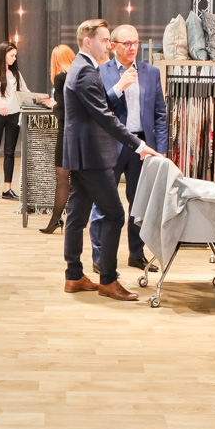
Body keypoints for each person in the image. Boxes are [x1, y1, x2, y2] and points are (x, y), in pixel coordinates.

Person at [62, 19, 162, 302]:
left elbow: (100, 109)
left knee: (77, 215)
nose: (109, 45)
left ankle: (74, 275)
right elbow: (105, 116)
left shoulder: (82, 67)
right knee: (115, 214)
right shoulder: (85, 71)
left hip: (83, 154)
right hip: (92, 155)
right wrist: (139, 144)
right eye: (105, 40)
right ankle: (107, 280)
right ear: (88, 41)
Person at [88, 24, 167, 273]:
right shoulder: (101, 72)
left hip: (141, 146)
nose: (133, 48)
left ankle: (136, 253)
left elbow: (160, 115)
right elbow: (98, 109)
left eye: (136, 42)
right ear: (113, 46)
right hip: (110, 145)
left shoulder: (151, 73)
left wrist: (161, 150)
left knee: (139, 202)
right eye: (128, 43)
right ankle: (100, 256)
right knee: (103, 202)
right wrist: (118, 87)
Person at [0, 42, 53, 201]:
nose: (14, 58)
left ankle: (7, 189)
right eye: (12, 55)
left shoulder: (15, 74)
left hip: (14, 115)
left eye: (15, 56)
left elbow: (25, 93)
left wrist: (40, 99)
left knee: (10, 152)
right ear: (3, 55)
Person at [40, 44, 75, 235]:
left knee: (62, 177)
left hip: (66, 132)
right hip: (79, 133)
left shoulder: (60, 78)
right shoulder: (78, 75)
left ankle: (55, 219)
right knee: (78, 178)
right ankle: (73, 219)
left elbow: (63, 111)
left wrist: (52, 105)